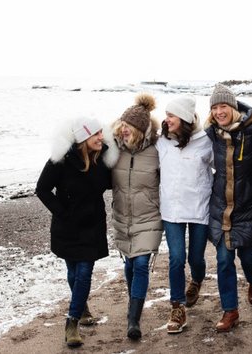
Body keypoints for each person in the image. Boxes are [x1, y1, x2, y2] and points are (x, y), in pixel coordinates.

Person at [36, 114, 115, 347]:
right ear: (83, 137)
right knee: (73, 272)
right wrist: (63, 213)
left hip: (93, 226)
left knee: (83, 273)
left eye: (102, 132)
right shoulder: (59, 161)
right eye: (97, 134)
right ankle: (82, 307)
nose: (102, 137)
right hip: (67, 227)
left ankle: (72, 321)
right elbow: (42, 189)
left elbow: (117, 182)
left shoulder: (103, 158)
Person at [204, 84, 252, 332]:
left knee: (248, 257)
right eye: (215, 107)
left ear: (233, 107)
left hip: (248, 206)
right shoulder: (211, 134)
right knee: (224, 260)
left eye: (223, 106)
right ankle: (230, 311)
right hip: (220, 206)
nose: (219, 112)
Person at [104, 93, 163, 340]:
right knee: (129, 263)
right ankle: (133, 304)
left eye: (129, 127)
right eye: (122, 125)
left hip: (149, 217)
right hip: (122, 217)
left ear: (140, 129)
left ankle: (134, 319)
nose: (124, 130)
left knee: (140, 265)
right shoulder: (112, 150)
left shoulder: (158, 150)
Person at [156, 94, 214, 333]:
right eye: (166, 115)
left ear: (184, 118)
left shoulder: (205, 141)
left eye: (171, 115)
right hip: (171, 210)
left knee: (195, 259)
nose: (166, 119)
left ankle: (197, 280)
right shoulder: (161, 141)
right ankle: (177, 307)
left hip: (199, 208)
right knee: (177, 258)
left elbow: (223, 169)